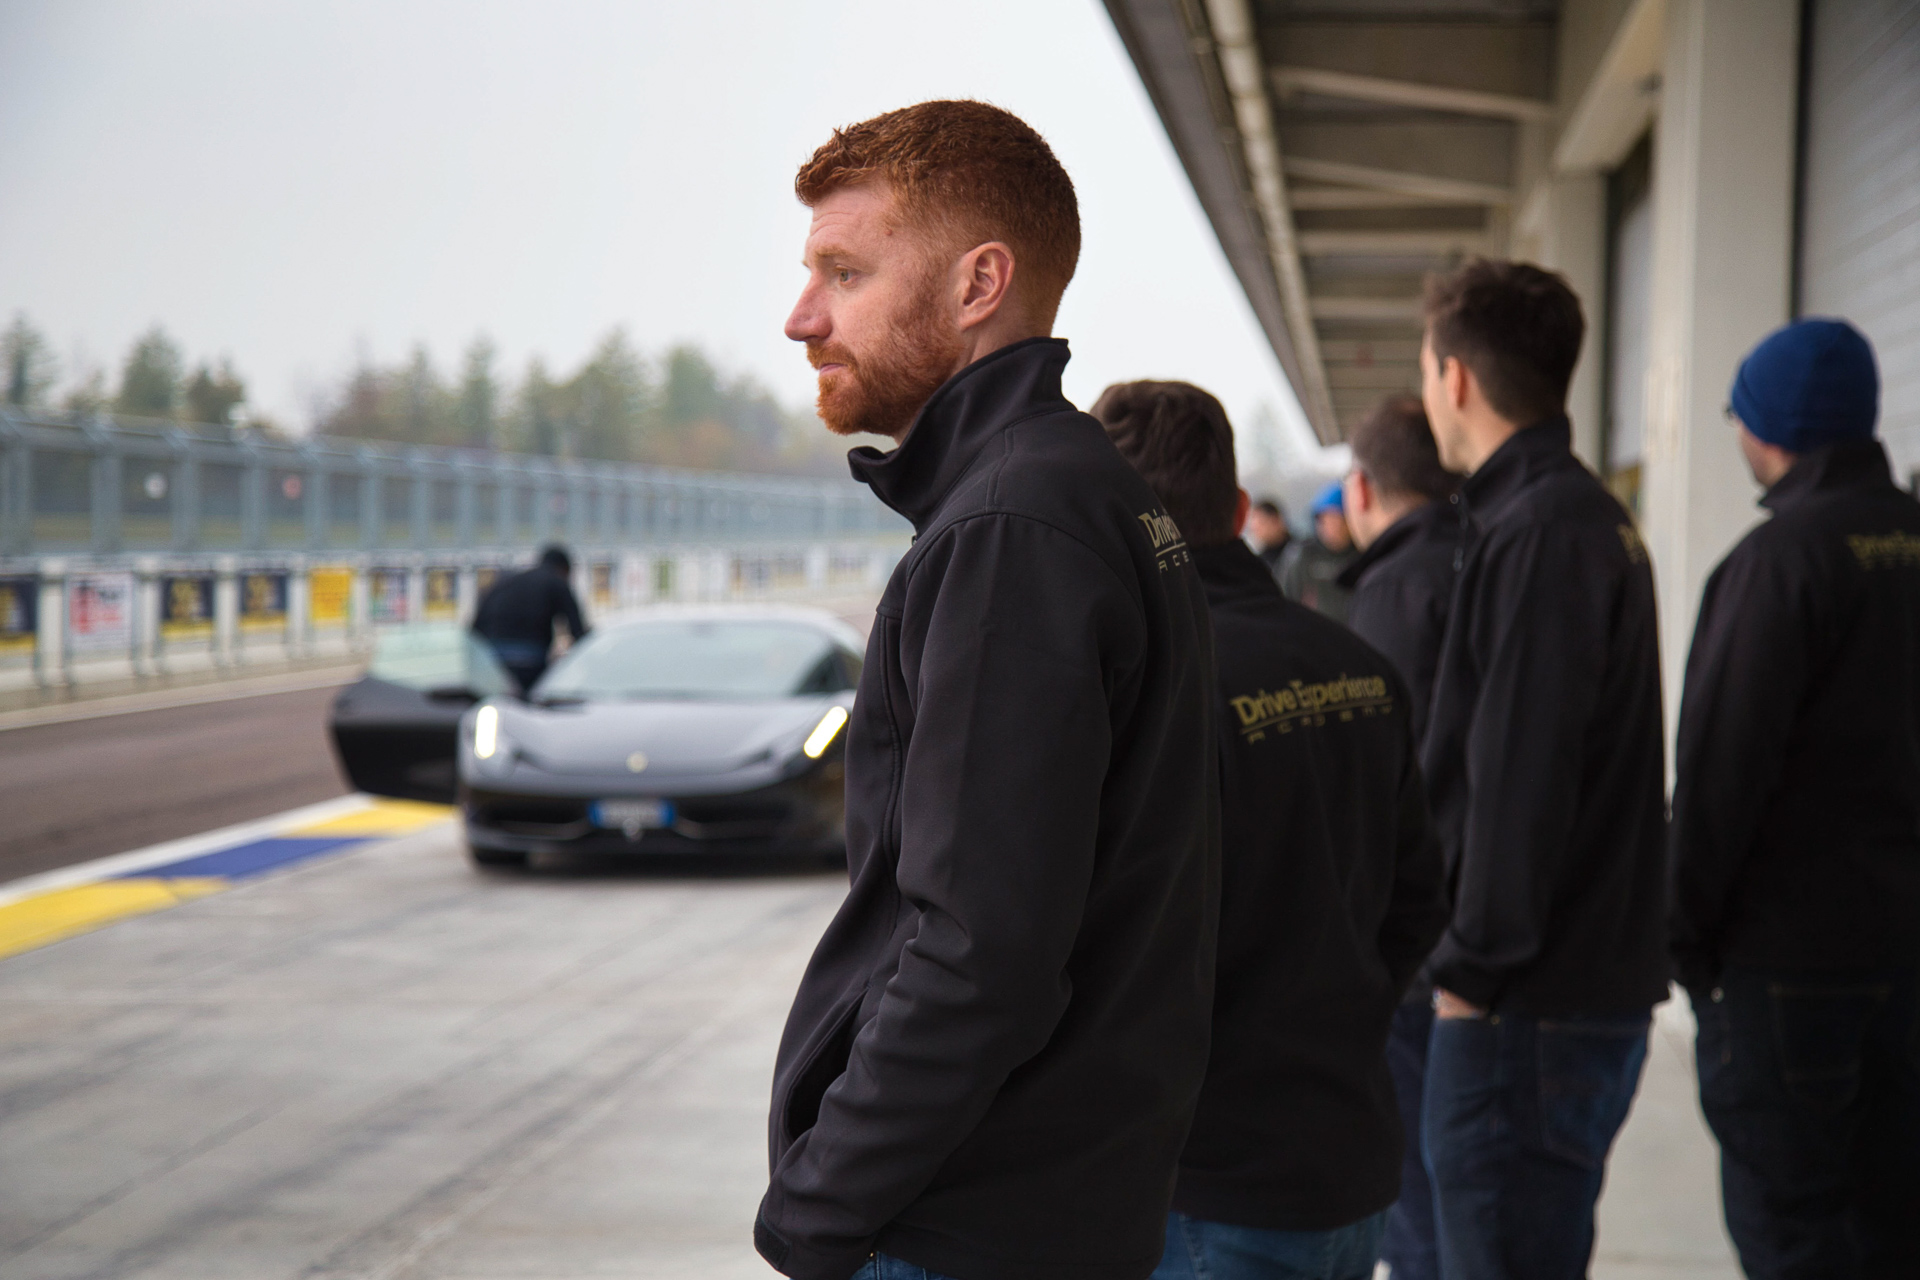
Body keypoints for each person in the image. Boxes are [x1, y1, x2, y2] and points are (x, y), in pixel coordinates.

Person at [755, 102, 1218, 1280]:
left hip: (969, 1225)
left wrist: (817, 1201)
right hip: (1063, 1205)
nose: (803, 317)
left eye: (845, 273)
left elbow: (979, 952)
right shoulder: (1085, 488)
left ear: (979, 284)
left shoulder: (1010, 528)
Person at [1094, 380, 1448, 1280]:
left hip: (1212, 1187)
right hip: (1349, 1158)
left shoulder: (1153, 695)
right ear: (1240, 510)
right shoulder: (1358, 666)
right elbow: (1419, 902)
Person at [1416, 260, 1669, 1280]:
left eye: (1427, 370)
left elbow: (1518, 780)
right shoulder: (1574, 515)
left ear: (1457, 378)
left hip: (1523, 1008)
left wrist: (1468, 977)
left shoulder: (1539, 531)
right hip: (1562, 996)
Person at [1669, 319, 1920, 1278]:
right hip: (1908, 960)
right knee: (1896, 1229)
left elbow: (1719, 777)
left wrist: (1685, 941)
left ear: (1768, 428)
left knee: (1796, 1239)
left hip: (1790, 970)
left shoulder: (1778, 562)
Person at [1332, 393, 1461, 1280]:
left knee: (1420, 1211)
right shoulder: (1491, 557)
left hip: (1424, 956)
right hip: (1492, 940)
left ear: (1362, 489)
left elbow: (1377, 786)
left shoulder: (1393, 592)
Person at [469, 544, 588, 693]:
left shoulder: (504, 583)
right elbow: (578, 631)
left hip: (494, 661)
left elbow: (475, 628)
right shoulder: (556, 581)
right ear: (564, 568)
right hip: (530, 661)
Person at [1278, 482, 1357, 623]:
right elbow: (1285, 598)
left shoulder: (1360, 556)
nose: (1331, 528)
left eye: (1337, 520)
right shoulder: (1303, 555)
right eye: (1325, 521)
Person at [1246, 496, 1291, 579]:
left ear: (1275, 520)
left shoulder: (1298, 552)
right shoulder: (1260, 560)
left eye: (1262, 524)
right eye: (1255, 529)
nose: (1257, 532)